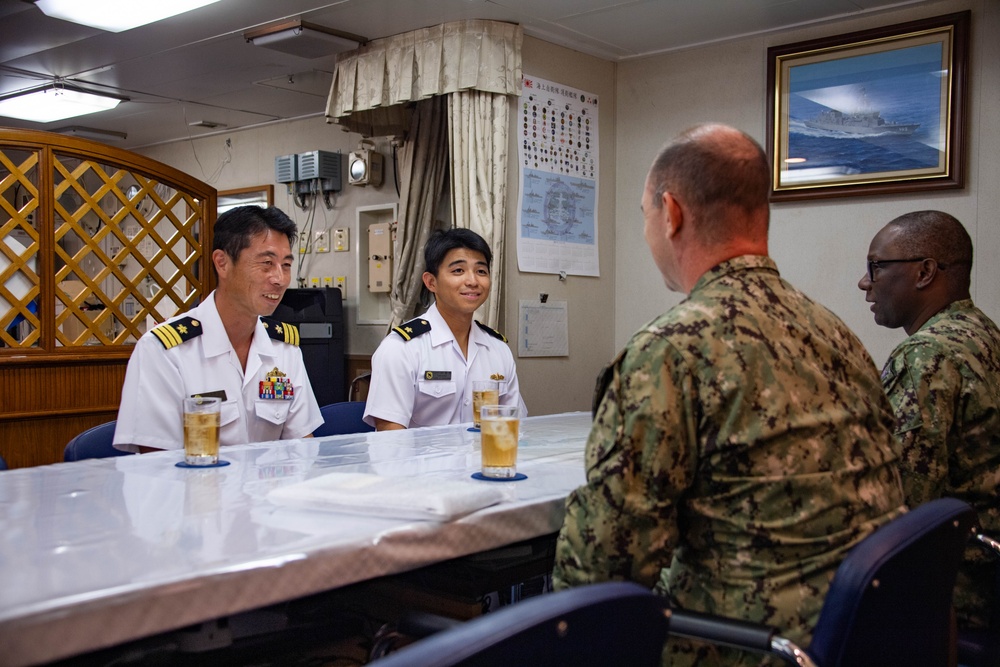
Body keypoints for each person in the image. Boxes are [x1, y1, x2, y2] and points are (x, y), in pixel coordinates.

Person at [553, 123, 904, 666]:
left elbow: (602, 568)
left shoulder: (670, 350)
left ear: (671, 213)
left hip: (742, 646)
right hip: (867, 638)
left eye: (644, 214)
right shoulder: (836, 333)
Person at [859, 210, 1000, 630]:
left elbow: (900, 502)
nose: (865, 282)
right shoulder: (984, 335)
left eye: (876, 266)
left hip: (956, 592)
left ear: (924, 272)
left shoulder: (927, 355)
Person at [114, 206, 323, 452]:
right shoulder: (165, 352)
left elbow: (302, 448)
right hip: (197, 489)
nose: (280, 279)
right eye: (267, 263)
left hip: (270, 489)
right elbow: (159, 466)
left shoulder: (284, 349)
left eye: (286, 265)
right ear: (222, 263)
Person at [363, 228, 526, 430]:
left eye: (481, 271)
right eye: (458, 270)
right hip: (421, 462)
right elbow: (391, 441)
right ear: (431, 282)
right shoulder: (400, 349)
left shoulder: (498, 350)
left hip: (485, 460)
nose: (472, 281)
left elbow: (512, 428)